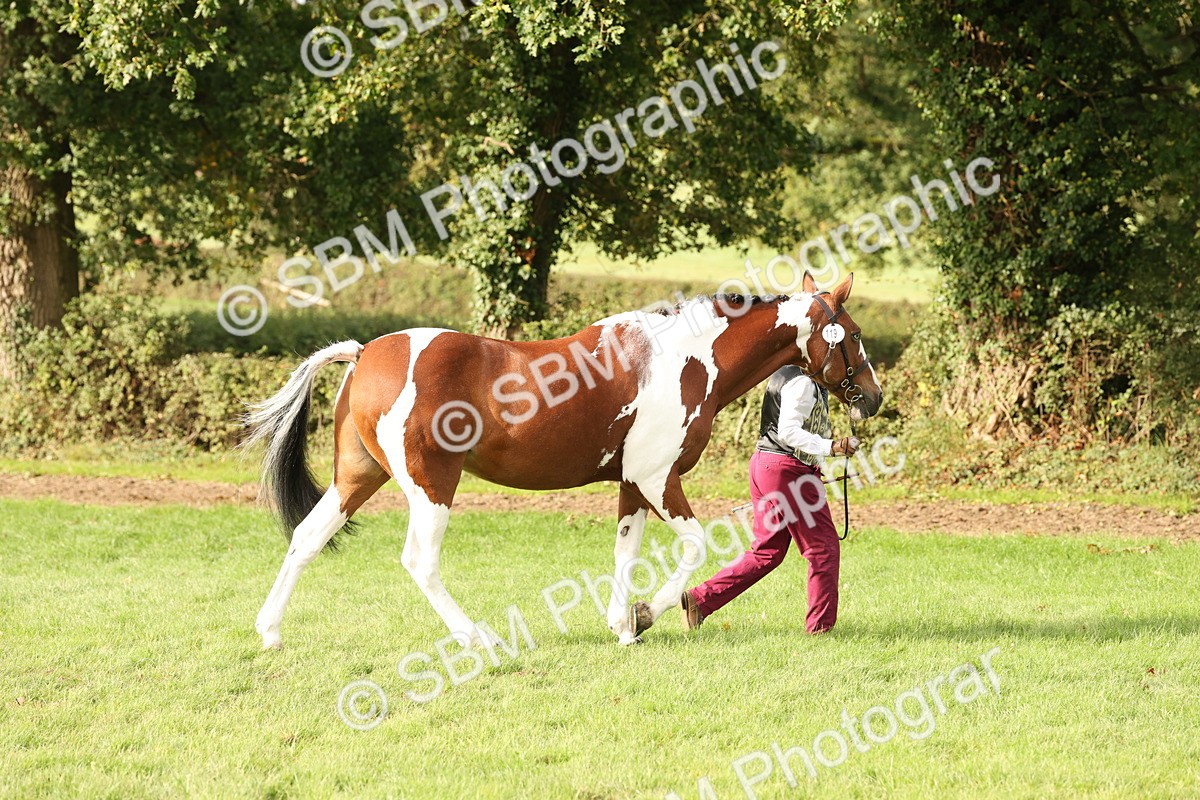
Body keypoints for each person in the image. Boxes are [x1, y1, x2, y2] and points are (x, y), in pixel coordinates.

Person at [679, 365, 858, 634]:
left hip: (765, 465)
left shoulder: (786, 373)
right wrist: (830, 447)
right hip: (788, 471)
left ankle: (700, 600)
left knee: (767, 553)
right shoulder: (804, 383)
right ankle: (820, 629)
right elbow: (788, 431)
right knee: (822, 549)